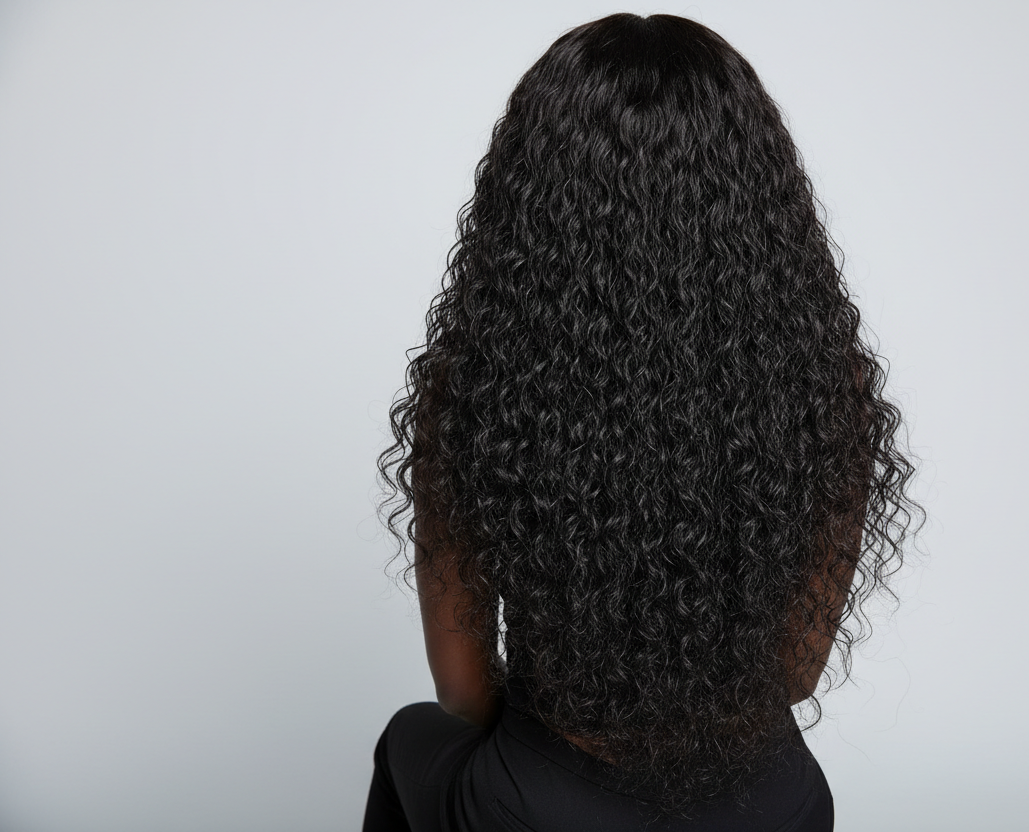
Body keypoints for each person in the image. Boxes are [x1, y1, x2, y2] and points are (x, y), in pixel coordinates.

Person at [364, 12, 919, 831]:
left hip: (537, 808)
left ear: (532, 201)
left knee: (409, 739)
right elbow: (799, 673)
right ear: (759, 200)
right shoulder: (826, 387)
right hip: (767, 806)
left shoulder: (477, 385)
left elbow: (465, 693)